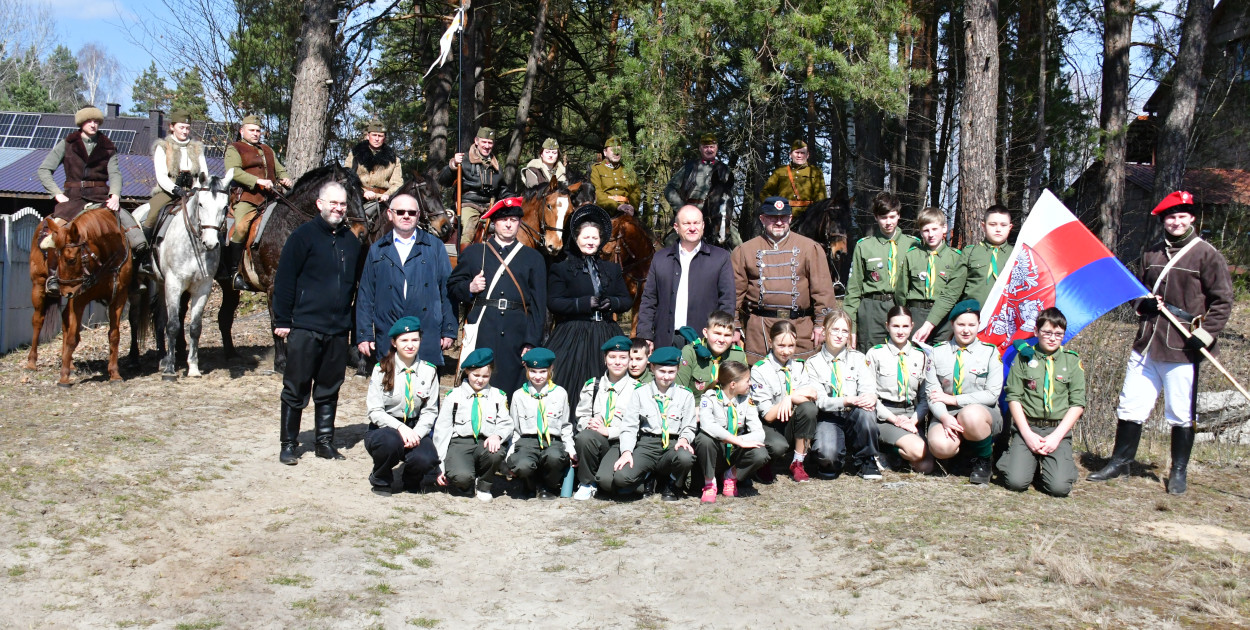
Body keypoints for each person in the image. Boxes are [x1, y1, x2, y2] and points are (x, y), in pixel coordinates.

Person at [1088, 191, 1233, 494]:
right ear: (1163, 220)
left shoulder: (1207, 254)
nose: (1176, 222)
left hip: (1183, 347)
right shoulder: (1151, 254)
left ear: (1192, 218)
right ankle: (1121, 461)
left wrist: (1204, 335)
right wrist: (1145, 305)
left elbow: (1222, 302)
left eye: (1182, 216)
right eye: (1171, 217)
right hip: (1147, 342)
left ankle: (1178, 471)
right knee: (1130, 406)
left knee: (1181, 412)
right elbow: (1138, 294)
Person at [272, 181, 362, 465]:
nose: (338, 208)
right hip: (305, 326)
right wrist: (283, 319)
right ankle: (289, 443)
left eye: (343, 204)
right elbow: (284, 280)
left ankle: (324, 441)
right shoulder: (302, 237)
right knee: (296, 386)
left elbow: (359, 286)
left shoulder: (352, 242)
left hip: (337, 329)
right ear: (319, 204)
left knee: (329, 387)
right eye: (333, 203)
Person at [36, 106, 144, 292]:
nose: (93, 125)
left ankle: (134, 276)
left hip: (101, 198)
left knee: (136, 236)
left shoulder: (108, 146)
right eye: (89, 121)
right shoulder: (67, 144)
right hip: (72, 199)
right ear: (81, 123)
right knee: (54, 233)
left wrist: (115, 195)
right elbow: (44, 170)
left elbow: (115, 174)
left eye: (96, 121)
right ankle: (53, 276)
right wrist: (56, 193)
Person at [448, 197, 548, 393]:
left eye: (514, 219)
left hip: (517, 332)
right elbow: (452, 286)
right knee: (479, 382)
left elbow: (539, 304)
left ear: (520, 222)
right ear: (494, 223)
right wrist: (469, 287)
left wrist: (531, 341)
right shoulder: (475, 252)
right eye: (504, 220)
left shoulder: (533, 258)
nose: (509, 224)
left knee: (514, 388)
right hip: (483, 328)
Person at [545, 205, 633, 411]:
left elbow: (626, 300)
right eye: (586, 237)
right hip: (572, 332)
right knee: (569, 381)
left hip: (605, 331)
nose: (591, 242)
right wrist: (582, 304)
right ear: (576, 239)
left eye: (595, 238)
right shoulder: (562, 269)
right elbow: (554, 302)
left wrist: (611, 302)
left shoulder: (611, 268)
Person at [731, 196, 837, 361]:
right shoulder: (745, 251)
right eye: (773, 217)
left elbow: (823, 293)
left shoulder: (810, 248)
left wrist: (821, 325)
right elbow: (734, 294)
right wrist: (734, 326)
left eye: (783, 217)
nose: (779, 222)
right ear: (763, 219)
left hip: (801, 330)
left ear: (790, 218)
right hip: (760, 332)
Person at [356, 194, 456, 367]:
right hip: (388, 333)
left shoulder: (435, 246)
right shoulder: (377, 249)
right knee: (390, 390)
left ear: (418, 215)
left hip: (426, 332)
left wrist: (449, 329)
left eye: (411, 212)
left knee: (424, 392)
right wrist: (364, 334)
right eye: (400, 211)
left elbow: (447, 290)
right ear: (390, 214)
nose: (406, 216)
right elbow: (365, 295)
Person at [999, 308, 1085, 497]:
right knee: (1016, 483)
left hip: (1057, 431)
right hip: (1028, 428)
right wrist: (1027, 434)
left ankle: (1059, 466)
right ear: (1037, 332)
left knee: (1059, 489)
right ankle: (1017, 460)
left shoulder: (1071, 361)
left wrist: (1056, 437)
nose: (1053, 338)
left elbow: (1077, 404)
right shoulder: (1023, 358)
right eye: (1047, 332)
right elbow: (1013, 397)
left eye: (1058, 334)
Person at [922, 300, 1003, 485]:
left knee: (970, 415)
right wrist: (943, 417)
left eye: (971, 325)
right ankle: (960, 457)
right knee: (941, 447)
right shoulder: (936, 353)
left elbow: (991, 395)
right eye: (961, 324)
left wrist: (954, 399)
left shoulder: (990, 353)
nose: (966, 330)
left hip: (982, 414)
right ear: (952, 325)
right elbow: (932, 393)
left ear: (978, 325)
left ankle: (983, 461)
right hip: (947, 414)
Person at [635, 205, 736, 350]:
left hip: (704, 342)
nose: (692, 228)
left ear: (703, 225)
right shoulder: (660, 258)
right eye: (687, 223)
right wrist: (645, 335)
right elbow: (649, 300)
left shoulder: (720, 258)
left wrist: (722, 336)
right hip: (665, 340)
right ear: (676, 227)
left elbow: (727, 301)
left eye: (696, 223)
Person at [363, 317, 441, 496]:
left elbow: (430, 411)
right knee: (390, 442)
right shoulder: (380, 369)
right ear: (394, 342)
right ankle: (380, 478)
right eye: (404, 340)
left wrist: (417, 434)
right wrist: (400, 428)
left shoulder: (429, 371)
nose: (410, 345)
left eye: (415, 340)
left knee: (427, 459)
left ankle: (411, 479)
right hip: (385, 428)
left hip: (415, 428)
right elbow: (375, 411)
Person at [801, 308, 882, 480]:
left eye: (844, 331)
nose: (839, 335)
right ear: (824, 331)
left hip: (855, 414)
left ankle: (866, 459)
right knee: (827, 457)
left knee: (867, 412)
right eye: (835, 330)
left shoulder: (859, 359)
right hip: (828, 416)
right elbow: (821, 401)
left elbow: (868, 387)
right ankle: (834, 459)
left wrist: (870, 396)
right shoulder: (812, 364)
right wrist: (847, 400)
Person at [420, 348, 509, 501]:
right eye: (476, 375)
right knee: (461, 478)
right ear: (467, 371)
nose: (480, 380)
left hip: (485, 442)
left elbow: (506, 423)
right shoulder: (453, 396)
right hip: (460, 443)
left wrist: (497, 435)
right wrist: (439, 464)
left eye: (485, 376)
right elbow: (442, 431)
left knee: (496, 453)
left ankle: (484, 485)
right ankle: (468, 480)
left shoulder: (498, 396)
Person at [614, 346, 697, 500]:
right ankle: (647, 475)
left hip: (673, 444)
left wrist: (684, 439)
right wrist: (626, 452)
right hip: (647, 444)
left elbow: (689, 425)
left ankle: (670, 482)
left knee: (686, 457)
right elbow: (629, 426)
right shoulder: (640, 393)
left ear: (678, 369)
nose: (666, 377)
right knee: (621, 477)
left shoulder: (685, 395)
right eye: (662, 371)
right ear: (652, 368)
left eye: (671, 372)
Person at [844, 192, 920, 352]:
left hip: (902, 308)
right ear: (876, 217)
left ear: (899, 215)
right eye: (883, 217)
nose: (888, 222)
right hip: (872, 309)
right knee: (869, 356)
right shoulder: (864, 246)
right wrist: (850, 328)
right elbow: (853, 290)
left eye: (892, 217)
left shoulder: (913, 245)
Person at [224, 115, 293, 290]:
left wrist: (285, 178)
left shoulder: (267, 149)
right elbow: (233, 172)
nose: (255, 134)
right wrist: (257, 181)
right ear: (242, 131)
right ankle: (233, 272)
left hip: (270, 198)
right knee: (241, 227)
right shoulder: (235, 148)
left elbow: (280, 169)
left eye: (258, 131)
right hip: (247, 198)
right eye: (252, 130)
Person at [865, 306, 934, 473]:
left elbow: (925, 396)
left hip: (911, 414)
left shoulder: (921, 355)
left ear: (912, 326)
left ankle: (895, 454)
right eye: (896, 326)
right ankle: (882, 449)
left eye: (905, 326)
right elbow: (870, 394)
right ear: (887, 326)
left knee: (926, 466)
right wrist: (895, 420)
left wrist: (913, 421)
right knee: (917, 450)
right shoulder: (875, 354)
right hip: (885, 416)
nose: (900, 331)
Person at [750, 320, 821, 482]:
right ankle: (765, 463)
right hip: (768, 425)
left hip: (791, 422)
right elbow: (767, 415)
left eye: (791, 346)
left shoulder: (799, 366)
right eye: (781, 345)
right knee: (778, 446)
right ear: (770, 342)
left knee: (809, 408)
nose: (786, 351)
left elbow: (811, 394)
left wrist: (791, 397)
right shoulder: (760, 370)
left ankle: (798, 463)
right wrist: (789, 399)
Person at [572, 336, 640, 501]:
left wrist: (608, 431)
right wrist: (590, 423)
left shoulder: (638, 390)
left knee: (608, 482)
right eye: (612, 357)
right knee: (585, 436)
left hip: (621, 443)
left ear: (629, 360)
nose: (617, 362)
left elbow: (638, 426)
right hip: (596, 441)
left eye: (623, 358)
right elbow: (581, 415)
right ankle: (587, 483)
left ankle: (607, 478)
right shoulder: (593, 385)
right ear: (604, 359)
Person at [694, 360, 769, 503]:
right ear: (733, 384)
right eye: (747, 380)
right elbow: (707, 425)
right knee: (704, 438)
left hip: (735, 451)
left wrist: (741, 441)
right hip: (716, 452)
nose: (750, 384)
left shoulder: (747, 400)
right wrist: (735, 440)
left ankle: (731, 476)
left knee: (760, 452)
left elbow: (760, 433)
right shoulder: (709, 397)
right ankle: (710, 483)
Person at [507, 347, 573, 500]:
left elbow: (565, 425)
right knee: (522, 464)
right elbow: (514, 428)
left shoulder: (560, 393)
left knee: (555, 457)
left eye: (543, 371)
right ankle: (529, 485)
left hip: (552, 440)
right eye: (533, 371)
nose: (538, 376)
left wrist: (570, 448)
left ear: (551, 369)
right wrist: (511, 452)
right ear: (527, 370)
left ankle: (548, 486)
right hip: (527, 441)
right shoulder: (518, 395)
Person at [146, 109, 210, 262]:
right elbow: (161, 175)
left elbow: (204, 173)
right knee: (152, 214)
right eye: (181, 127)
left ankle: (217, 261)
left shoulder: (197, 148)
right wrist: (176, 189)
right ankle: (145, 256)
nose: (185, 131)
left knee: (211, 216)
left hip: (193, 191)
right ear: (172, 127)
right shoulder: (163, 147)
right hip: (169, 191)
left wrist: (197, 188)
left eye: (187, 128)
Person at [895, 207, 964, 344]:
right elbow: (901, 291)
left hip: (945, 317)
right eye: (926, 230)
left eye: (934, 229)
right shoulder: (912, 255)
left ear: (944, 228)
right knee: (916, 353)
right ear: (921, 232)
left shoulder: (956, 258)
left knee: (942, 354)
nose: (930, 234)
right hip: (917, 313)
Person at [663, 133, 739, 246]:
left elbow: (729, 196)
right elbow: (669, 189)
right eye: (705, 147)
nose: (709, 150)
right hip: (690, 216)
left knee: (738, 244)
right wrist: (682, 209)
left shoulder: (725, 170)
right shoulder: (689, 167)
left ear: (716, 148)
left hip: (716, 217)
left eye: (712, 147)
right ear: (700, 148)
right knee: (669, 243)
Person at [438, 127, 506, 245]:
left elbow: (503, 190)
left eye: (490, 143)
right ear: (476, 141)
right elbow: (443, 181)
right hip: (469, 204)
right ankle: (465, 259)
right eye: (484, 142)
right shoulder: (463, 159)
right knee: (469, 230)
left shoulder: (496, 166)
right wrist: (453, 165)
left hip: (490, 206)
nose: (487, 146)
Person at [951, 205, 1014, 307]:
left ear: (1010, 227)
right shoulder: (970, 252)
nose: (998, 229)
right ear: (984, 226)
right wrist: (931, 322)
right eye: (993, 224)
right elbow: (952, 292)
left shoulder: (1016, 255)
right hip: (973, 318)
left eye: (1003, 225)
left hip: (1006, 319)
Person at [675, 311, 747, 401]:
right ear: (705, 332)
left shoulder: (738, 356)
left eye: (727, 335)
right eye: (717, 333)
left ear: (733, 336)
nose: (721, 339)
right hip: (695, 409)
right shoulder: (691, 352)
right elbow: (679, 392)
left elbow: (743, 394)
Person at [343, 120, 404, 218]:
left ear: (384, 138)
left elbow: (397, 183)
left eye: (380, 136)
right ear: (368, 136)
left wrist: (388, 194)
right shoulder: (355, 154)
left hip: (383, 200)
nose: (377, 139)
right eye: (374, 135)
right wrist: (363, 192)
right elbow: (347, 176)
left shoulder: (394, 159)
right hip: (356, 197)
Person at [759, 139, 827, 218]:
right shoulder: (780, 171)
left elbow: (821, 198)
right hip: (783, 216)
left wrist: (816, 216)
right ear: (790, 154)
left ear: (808, 155)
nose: (799, 156)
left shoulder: (815, 172)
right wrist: (774, 207)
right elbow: (765, 192)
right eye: (797, 152)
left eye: (802, 153)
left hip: (808, 218)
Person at [589, 137, 640, 215]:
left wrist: (632, 207)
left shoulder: (628, 170)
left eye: (619, 150)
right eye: (613, 150)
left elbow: (635, 191)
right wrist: (616, 206)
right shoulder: (597, 169)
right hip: (604, 211)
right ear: (605, 152)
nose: (616, 153)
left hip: (627, 211)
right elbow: (597, 192)